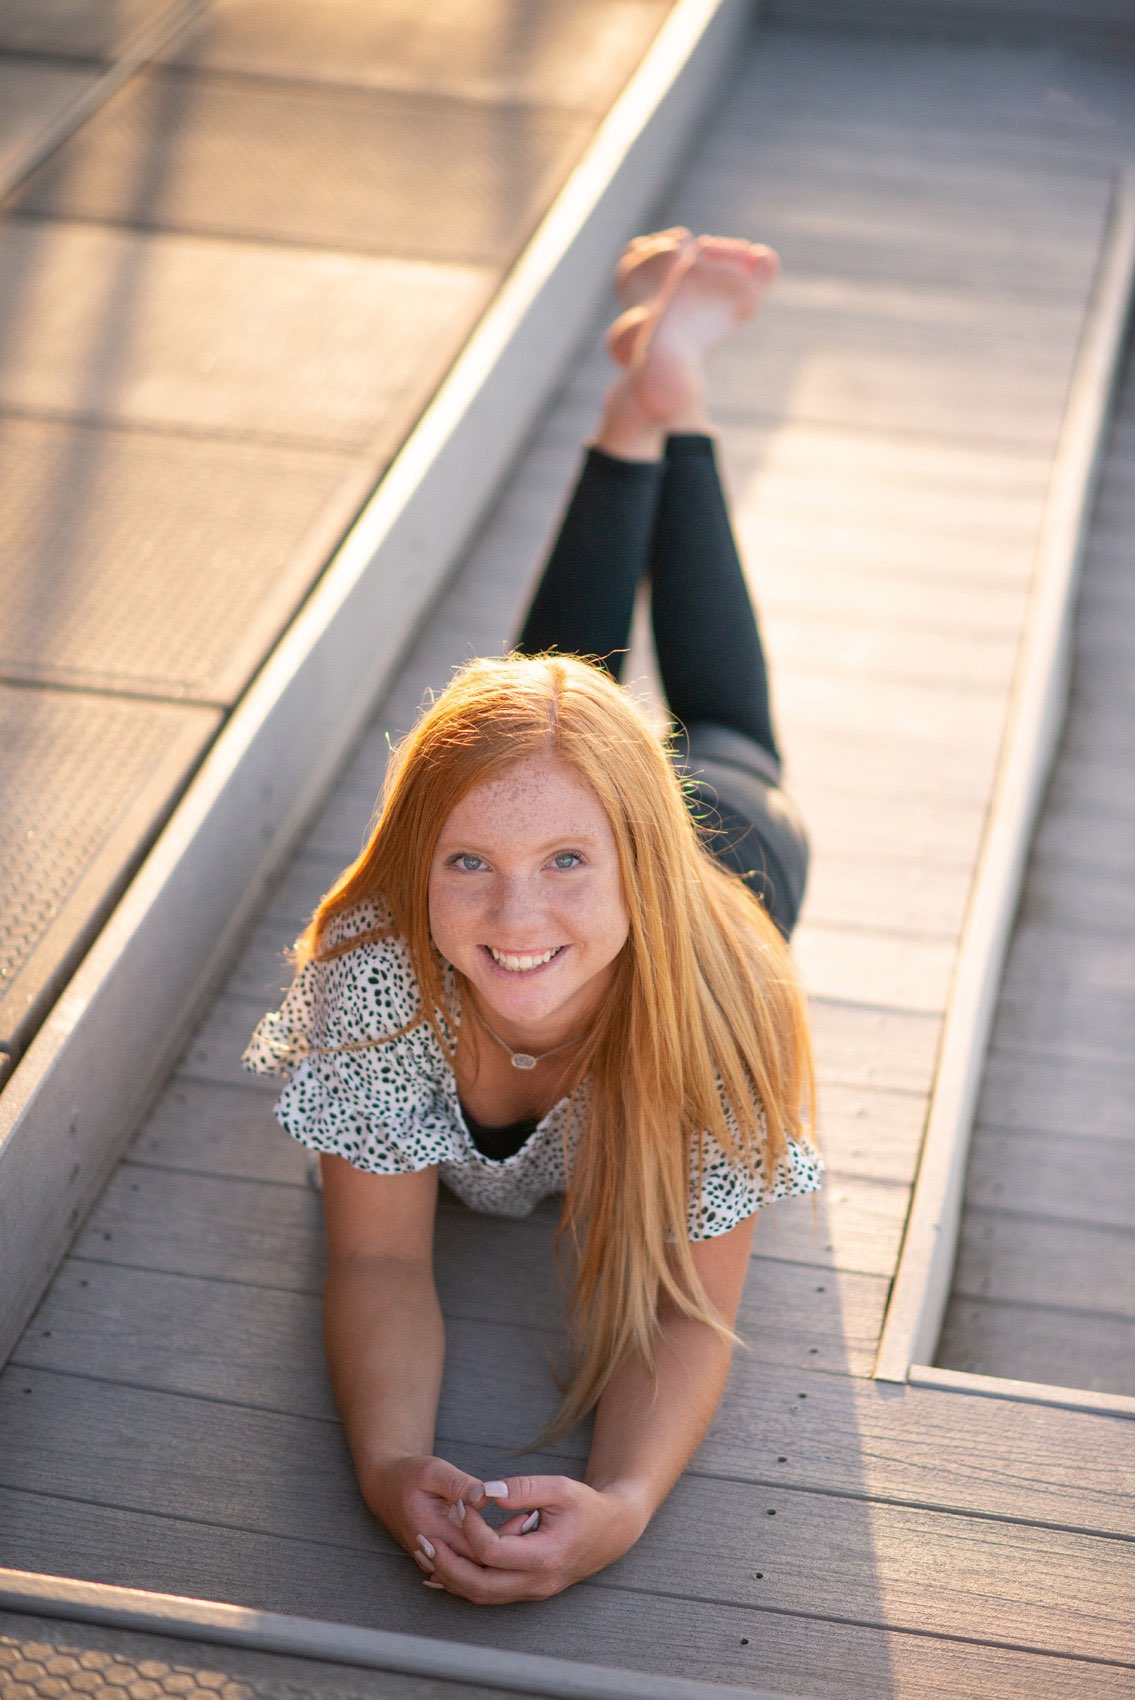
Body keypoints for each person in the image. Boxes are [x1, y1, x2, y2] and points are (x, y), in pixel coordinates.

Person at [244, 231, 820, 1606]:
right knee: (542, 708)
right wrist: (393, 1468)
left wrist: (621, 1505)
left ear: (635, 865)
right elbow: (379, 1257)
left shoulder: (718, 1012)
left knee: (727, 731)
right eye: (463, 868)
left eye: (566, 865)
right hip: (589, 814)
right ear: (409, 864)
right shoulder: (377, 978)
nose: (512, 920)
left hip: (724, 855)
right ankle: (652, 389)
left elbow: (686, 1306)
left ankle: (664, 408)